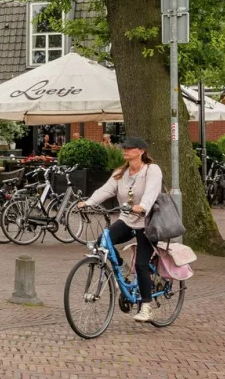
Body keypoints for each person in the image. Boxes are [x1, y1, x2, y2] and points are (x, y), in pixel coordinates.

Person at [80, 138, 164, 322]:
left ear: (141, 151)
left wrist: (142, 206)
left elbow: (152, 192)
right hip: (127, 220)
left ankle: (146, 307)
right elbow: (105, 190)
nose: (125, 150)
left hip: (147, 223)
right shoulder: (121, 173)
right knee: (103, 240)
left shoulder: (152, 170)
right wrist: (88, 202)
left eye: (129, 148)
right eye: (124, 148)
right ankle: (122, 268)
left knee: (141, 264)